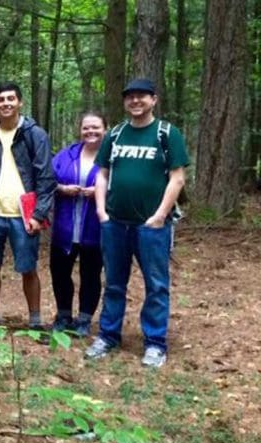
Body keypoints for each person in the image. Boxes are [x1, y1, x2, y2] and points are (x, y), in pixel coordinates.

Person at [85, 78, 189, 368]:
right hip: (115, 223)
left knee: (156, 284)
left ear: (154, 100)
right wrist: (102, 212)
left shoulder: (167, 134)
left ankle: (155, 343)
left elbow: (177, 178)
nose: (135, 101)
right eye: (130, 97)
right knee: (115, 283)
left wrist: (158, 216)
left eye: (142, 96)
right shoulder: (115, 135)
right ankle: (108, 335)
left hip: (152, 227)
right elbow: (102, 174)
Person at [0, 82, 55, 331]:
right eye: (1, 99)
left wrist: (39, 214)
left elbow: (46, 178)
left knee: (28, 268)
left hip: (24, 216)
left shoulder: (34, 134)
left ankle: (35, 321)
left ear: (20, 102)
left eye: (10, 99)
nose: (6, 103)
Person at [50, 112, 106, 338]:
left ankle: (84, 319)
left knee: (90, 274)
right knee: (60, 272)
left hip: (95, 228)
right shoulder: (67, 155)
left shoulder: (111, 156)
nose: (90, 132)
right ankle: (63, 314)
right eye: (86, 128)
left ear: (105, 129)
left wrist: (101, 192)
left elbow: (121, 186)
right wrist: (62, 189)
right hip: (65, 227)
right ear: (80, 130)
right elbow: (47, 180)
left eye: (96, 127)